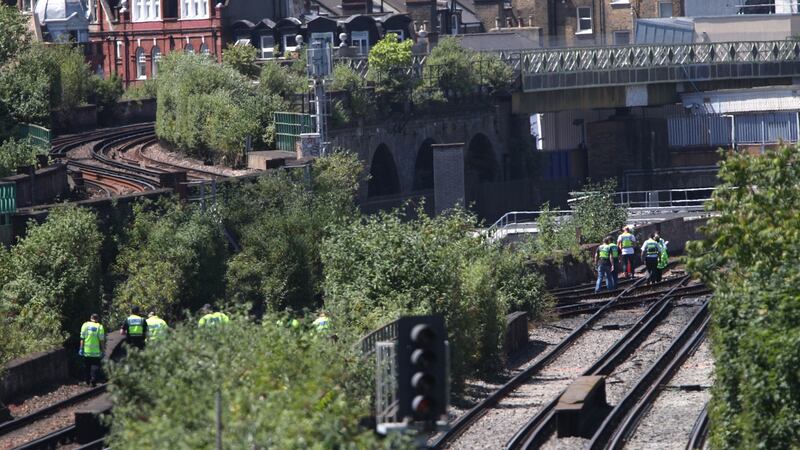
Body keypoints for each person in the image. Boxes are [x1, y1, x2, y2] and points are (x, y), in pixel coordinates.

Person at [79, 314, 105, 386]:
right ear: (97, 319)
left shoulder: (85, 325)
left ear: (91, 318)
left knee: (87, 366)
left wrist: (81, 349)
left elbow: (82, 338)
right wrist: (102, 350)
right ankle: (93, 379)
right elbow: (101, 340)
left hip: (86, 351)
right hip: (96, 352)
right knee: (95, 365)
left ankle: (87, 381)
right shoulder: (99, 327)